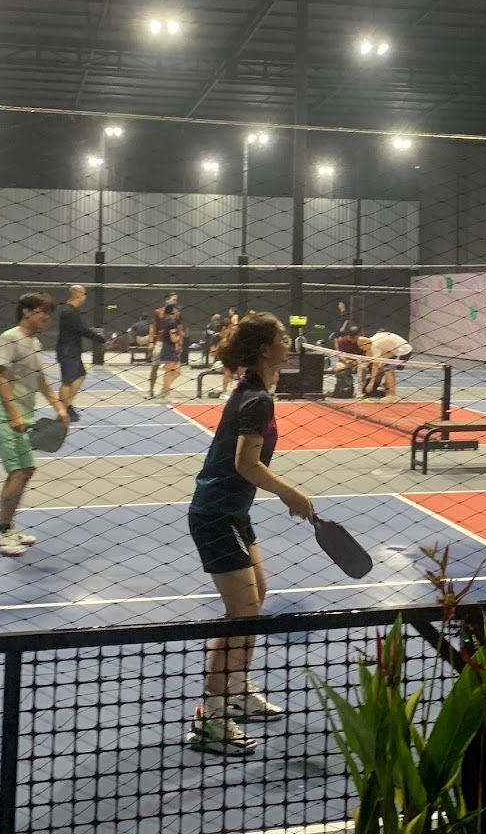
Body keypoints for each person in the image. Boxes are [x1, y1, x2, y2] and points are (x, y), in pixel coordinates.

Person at [186, 312, 315, 756]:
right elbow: (246, 463)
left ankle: (237, 690)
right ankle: (211, 716)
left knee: (256, 598)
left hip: (234, 512)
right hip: (216, 514)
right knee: (240, 611)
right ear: (265, 349)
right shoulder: (256, 398)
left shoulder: (255, 390)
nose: (289, 343)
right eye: (282, 338)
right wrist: (290, 493)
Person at [0, 292, 70, 556]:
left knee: (26, 471)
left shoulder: (34, 342)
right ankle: (2, 532)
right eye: (43, 312)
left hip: (26, 415)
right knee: (17, 471)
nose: (48, 318)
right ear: (27, 311)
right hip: (7, 416)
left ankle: (8, 527)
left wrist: (58, 406)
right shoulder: (9, 338)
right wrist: (13, 414)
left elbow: (41, 379)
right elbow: (2, 378)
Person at [57, 284, 106, 422]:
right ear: (78, 294)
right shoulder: (68, 311)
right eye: (84, 294)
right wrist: (100, 339)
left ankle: (67, 405)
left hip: (73, 350)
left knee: (81, 375)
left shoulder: (73, 311)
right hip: (67, 351)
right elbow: (81, 329)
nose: (85, 297)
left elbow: (81, 328)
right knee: (67, 381)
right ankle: (64, 409)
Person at [362, 328, 414, 399]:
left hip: (402, 351)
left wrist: (371, 383)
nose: (363, 350)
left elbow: (375, 365)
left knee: (388, 371)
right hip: (394, 351)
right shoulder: (374, 339)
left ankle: (391, 395)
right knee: (383, 367)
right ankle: (385, 387)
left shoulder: (375, 345)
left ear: (365, 344)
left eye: (362, 347)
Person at [149, 303, 185, 399]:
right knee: (169, 371)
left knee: (177, 371)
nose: (179, 311)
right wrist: (180, 335)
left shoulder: (175, 321)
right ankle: (165, 392)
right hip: (168, 348)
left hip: (172, 348)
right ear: (173, 311)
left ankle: (165, 389)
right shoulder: (171, 323)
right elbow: (173, 339)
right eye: (177, 309)